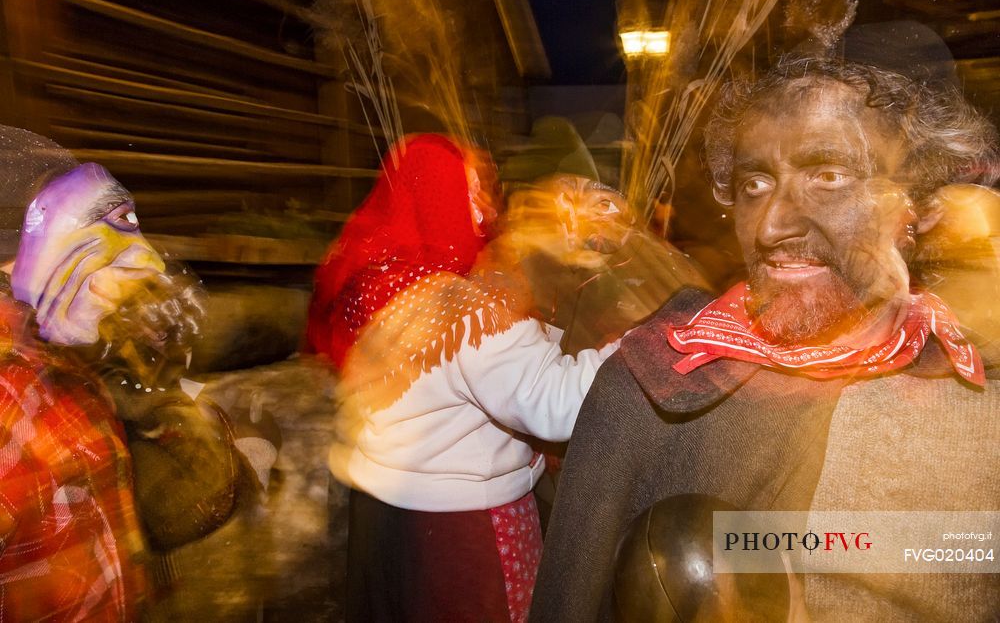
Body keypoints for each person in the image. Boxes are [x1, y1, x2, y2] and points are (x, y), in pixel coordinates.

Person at [530, 56, 1000, 621]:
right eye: (755, 183)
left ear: (915, 204)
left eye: (828, 176)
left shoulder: (975, 398)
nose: (773, 226)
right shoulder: (652, 384)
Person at [307, 133, 618, 622]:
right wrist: (633, 347)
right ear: (433, 195)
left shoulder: (383, 282)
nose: (483, 202)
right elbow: (555, 404)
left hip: (385, 518)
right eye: (466, 188)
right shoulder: (465, 307)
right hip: (462, 530)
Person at [0, 127, 246, 619]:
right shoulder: (10, 402)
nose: (149, 261)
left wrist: (161, 393)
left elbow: (151, 514)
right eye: (103, 227)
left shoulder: (61, 360)